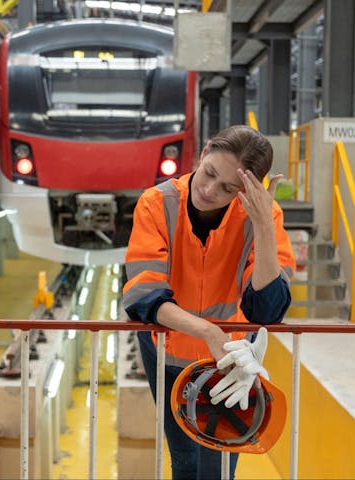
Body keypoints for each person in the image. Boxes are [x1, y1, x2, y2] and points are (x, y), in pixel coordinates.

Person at [122, 125, 295, 479]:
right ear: (202, 155)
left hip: (228, 367)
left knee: (220, 465)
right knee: (185, 460)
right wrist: (209, 332)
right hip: (167, 356)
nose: (209, 190)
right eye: (210, 173)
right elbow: (144, 296)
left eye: (229, 188)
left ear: (246, 190)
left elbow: (267, 309)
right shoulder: (157, 204)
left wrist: (263, 226)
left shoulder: (264, 216)